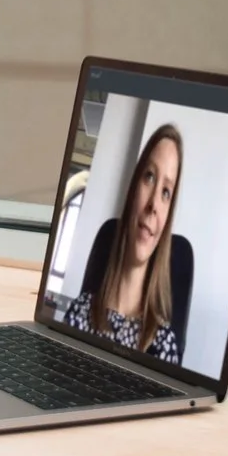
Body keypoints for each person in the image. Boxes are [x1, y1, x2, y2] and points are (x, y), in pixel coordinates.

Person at [61, 125, 190, 362]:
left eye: (166, 192)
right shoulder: (80, 312)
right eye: (149, 177)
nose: (153, 204)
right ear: (132, 189)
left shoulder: (163, 346)